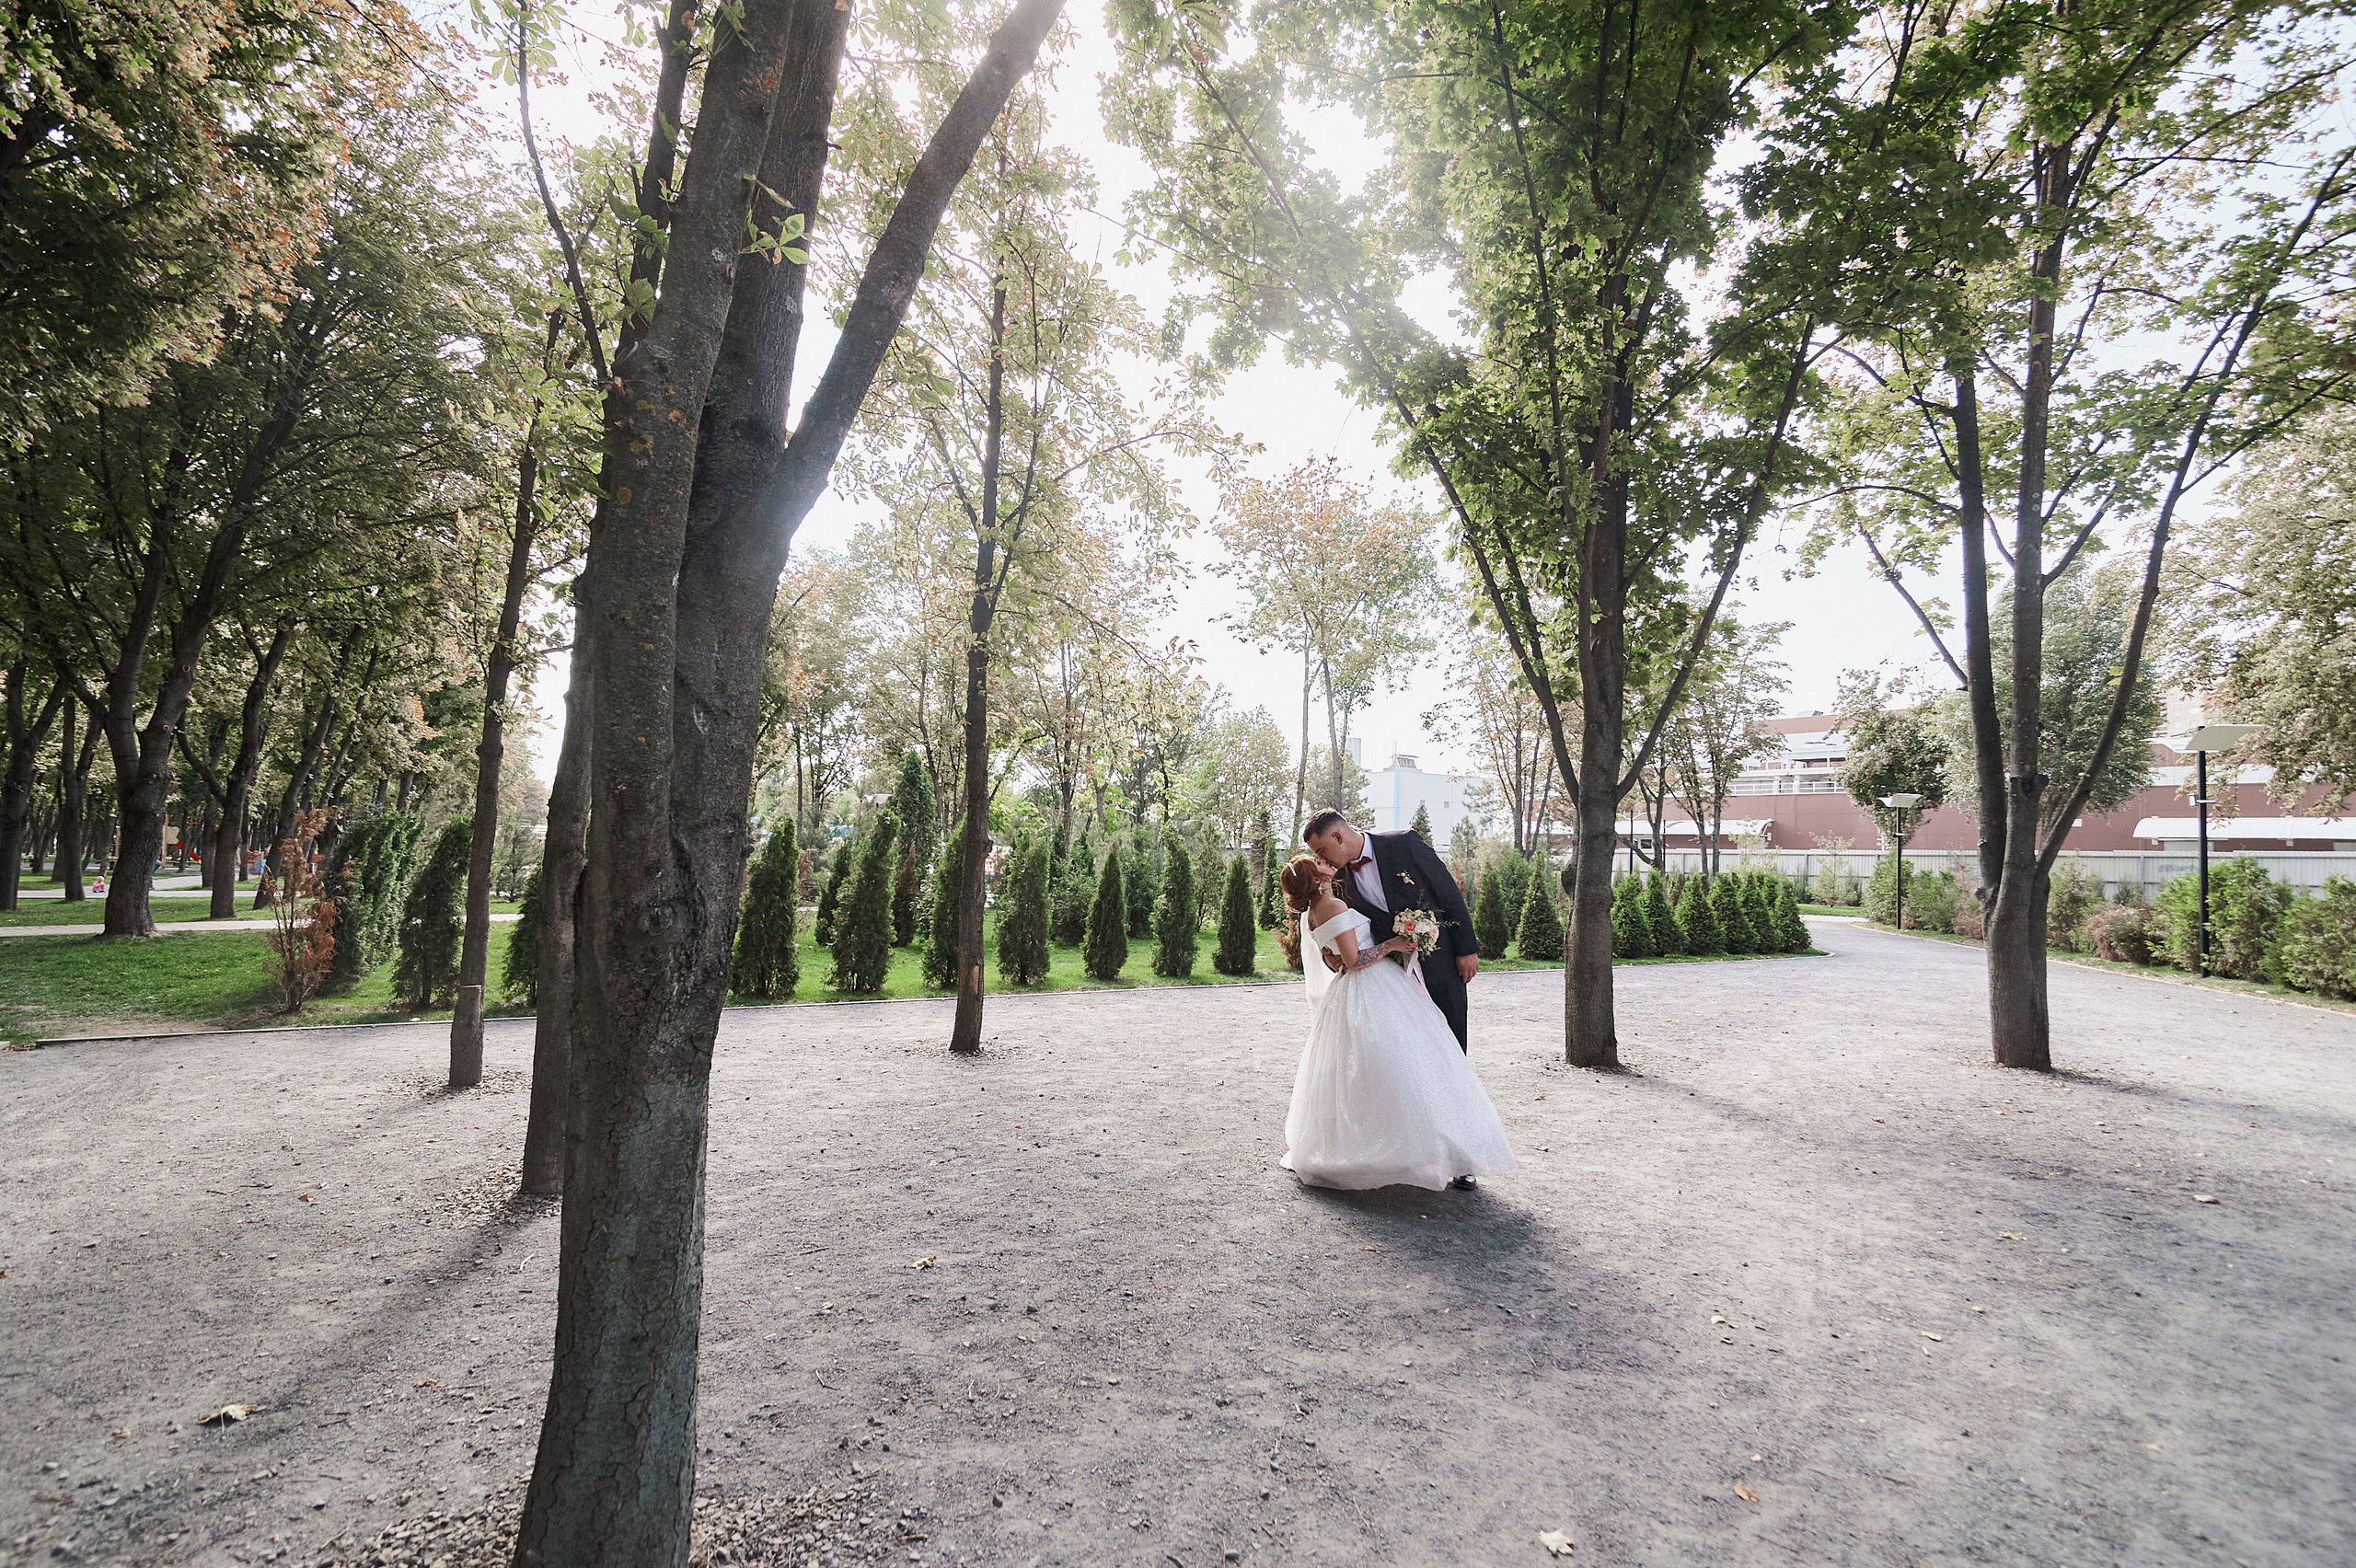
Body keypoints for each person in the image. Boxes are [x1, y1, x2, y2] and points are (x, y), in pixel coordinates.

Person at [1276, 853, 1515, 1193]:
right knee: (1411, 1065)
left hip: (1348, 992)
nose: (1327, 863)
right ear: (1316, 880)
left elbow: (1331, 958)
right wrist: (1394, 944)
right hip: (1370, 987)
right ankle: (1428, 1148)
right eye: (1320, 865)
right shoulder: (1334, 908)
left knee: (1373, 1072)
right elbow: (1355, 961)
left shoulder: (1313, 914)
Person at [1301, 810, 1479, 1052]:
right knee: (1413, 1051)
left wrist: (1467, 949)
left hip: (1442, 964)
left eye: (1321, 851)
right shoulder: (1335, 881)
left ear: (1337, 837)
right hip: (1392, 980)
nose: (1322, 859)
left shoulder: (1405, 843)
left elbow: (1448, 893)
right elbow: (1330, 928)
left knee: (1453, 1045)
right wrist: (1328, 956)